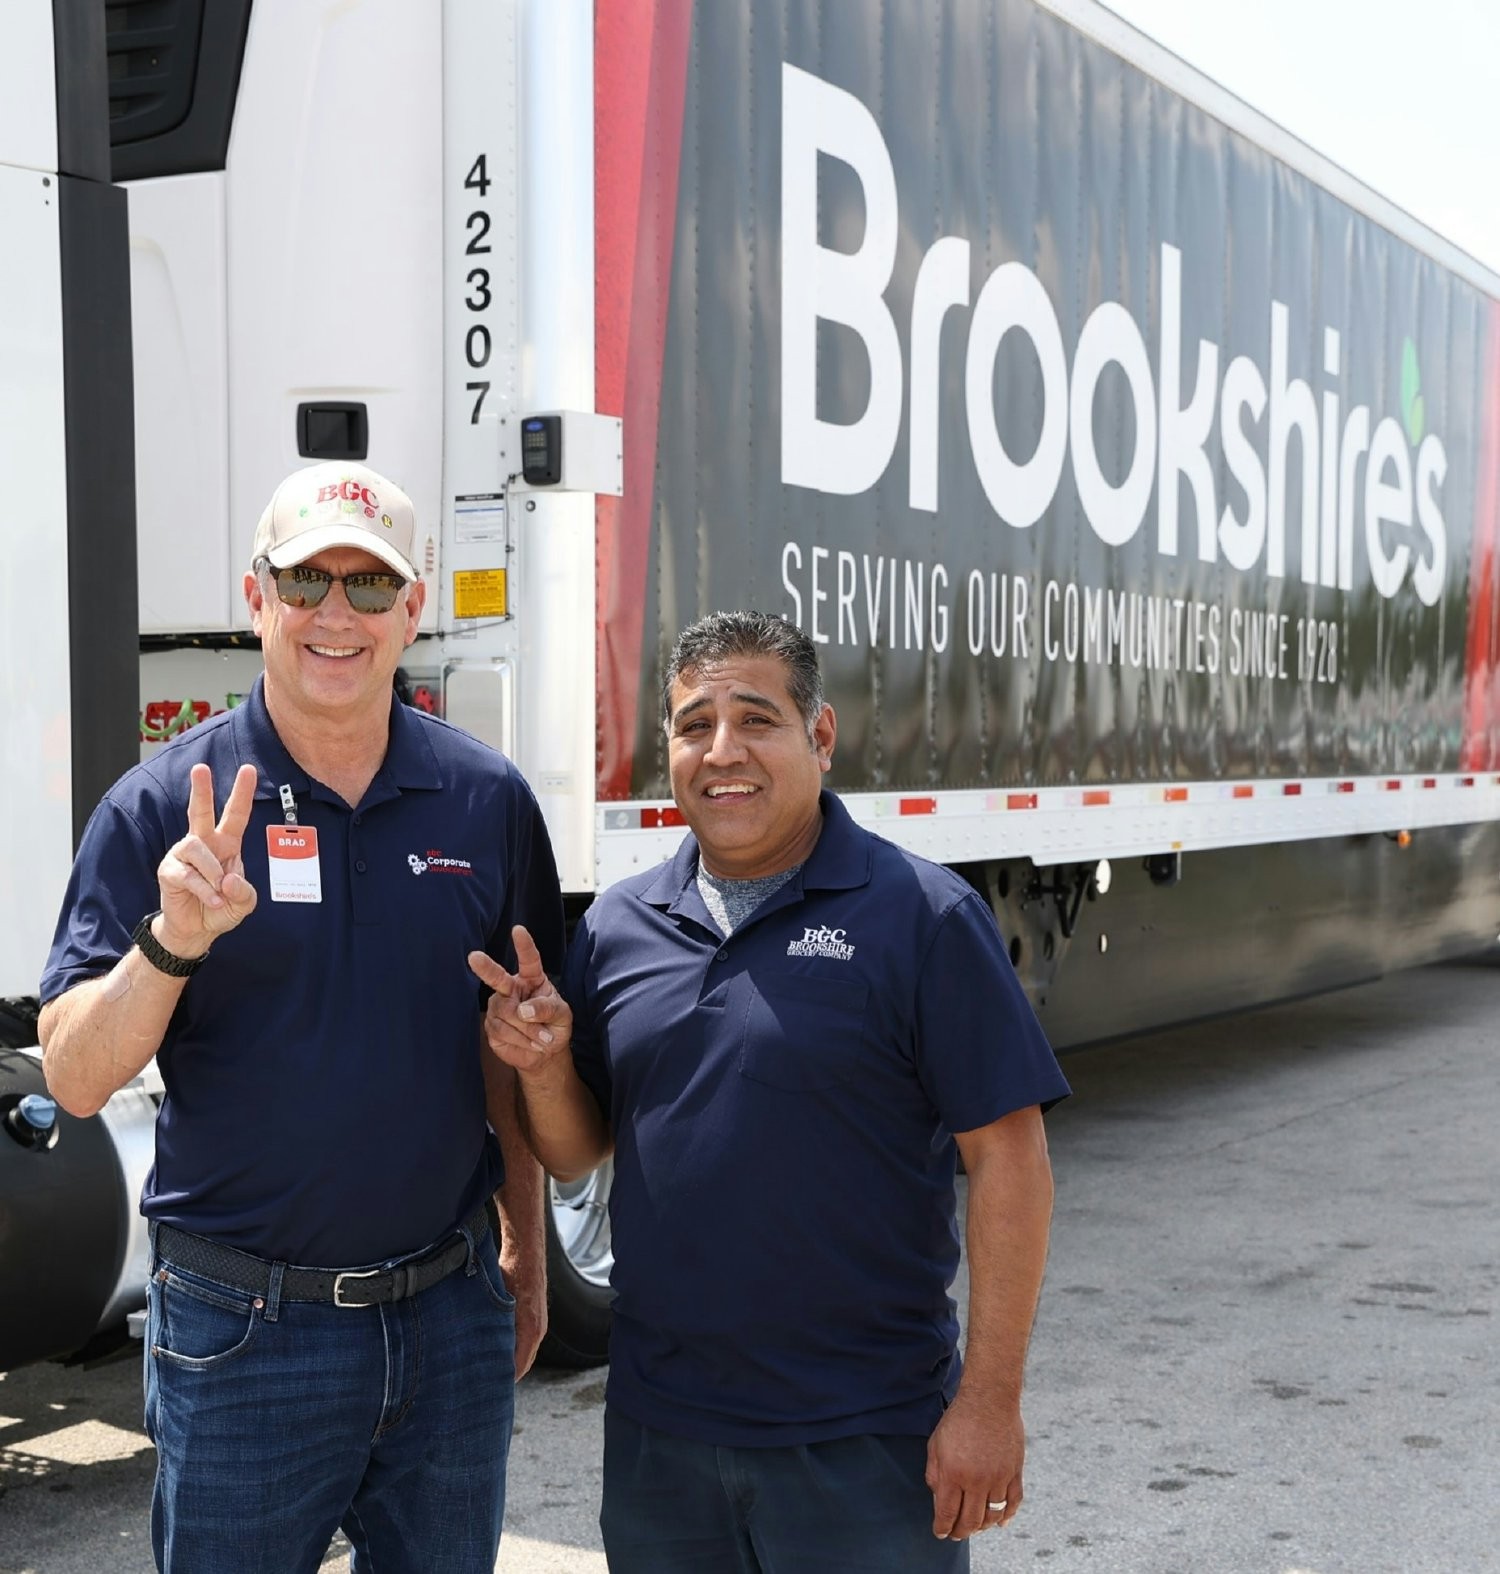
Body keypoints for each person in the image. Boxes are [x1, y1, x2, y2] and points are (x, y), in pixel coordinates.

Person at [38, 461, 564, 1574]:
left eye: (370, 585)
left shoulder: (488, 800)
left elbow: (507, 1047)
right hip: (244, 1334)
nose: (337, 613)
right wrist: (174, 938)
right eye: (306, 579)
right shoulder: (161, 807)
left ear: (413, 608)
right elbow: (77, 1077)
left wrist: (521, 1244)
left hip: (448, 1319)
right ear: (256, 596)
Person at [471, 609, 1070, 1572]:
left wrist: (990, 1402)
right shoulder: (623, 927)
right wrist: (541, 1066)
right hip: (662, 1440)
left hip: (864, 1439)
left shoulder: (921, 917)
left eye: (757, 719)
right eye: (693, 724)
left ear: (820, 736)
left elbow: (1010, 1159)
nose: (722, 752)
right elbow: (581, 1151)